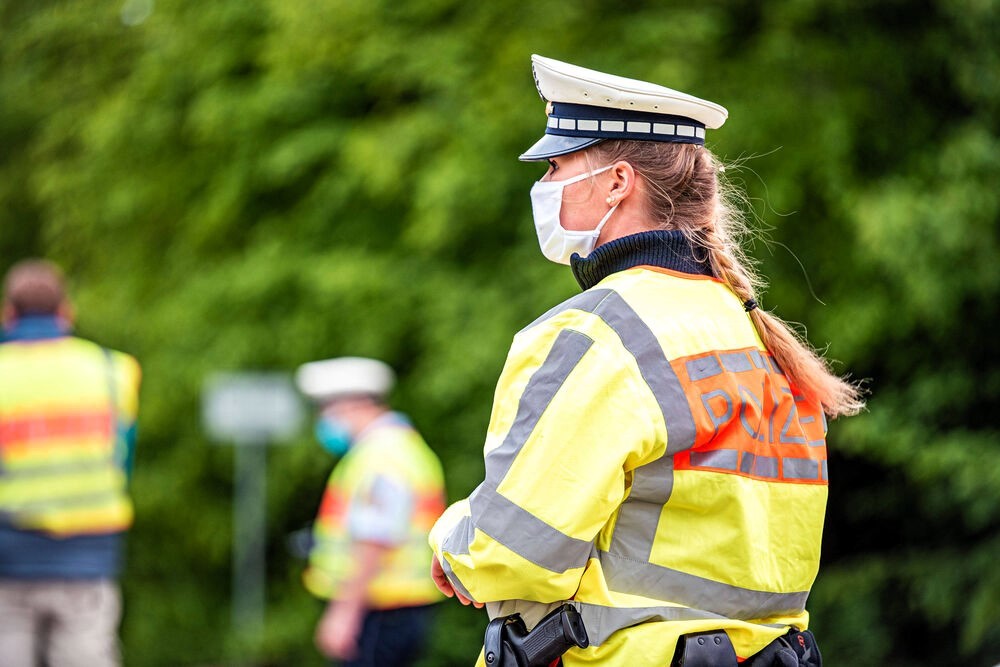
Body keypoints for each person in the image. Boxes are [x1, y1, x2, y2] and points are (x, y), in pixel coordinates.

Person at [428, 55, 865, 667]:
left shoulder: (601, 332)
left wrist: (453, 540)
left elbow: (515, 552)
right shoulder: (748, 330)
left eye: (556, 166)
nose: (544, 184)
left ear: (617, 182)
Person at [0, 259, 142, 667]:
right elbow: (122, 458)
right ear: (66, 311)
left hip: (9, 558)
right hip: (88, 558)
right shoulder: (112, 371)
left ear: (8, 313)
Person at [295, 356, 447, 666]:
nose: (323, 420)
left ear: (355, 405)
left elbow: (375, 537)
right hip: (393, 607)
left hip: (379, 612)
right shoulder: (400, 447)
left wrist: (344, 614)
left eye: (326, 410)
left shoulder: (383, 454)